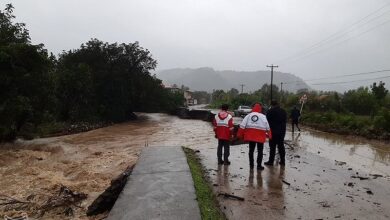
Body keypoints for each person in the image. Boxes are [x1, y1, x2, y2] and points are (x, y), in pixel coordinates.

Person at [237, 103, 271, 170]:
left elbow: (242, 126)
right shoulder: (263, 116)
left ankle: (251, 165)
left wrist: (239, 135)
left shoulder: (248, 116)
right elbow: (268, 127)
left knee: (251, 151)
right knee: (260, 151)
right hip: (260, 137)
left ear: (253, 108)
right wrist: (270, 136)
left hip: (251, 136)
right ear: (260, 109)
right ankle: (259, 166)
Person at [265, 100, 287, 166]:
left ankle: (271, 161)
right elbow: (285, 121)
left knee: (272, 147)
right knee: (281, 146)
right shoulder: (283, 111)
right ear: (278, 104)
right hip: (282, 132)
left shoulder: (269, 111)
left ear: (271, 105)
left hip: (273, 132)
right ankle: (283, 161)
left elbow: (267, 121)